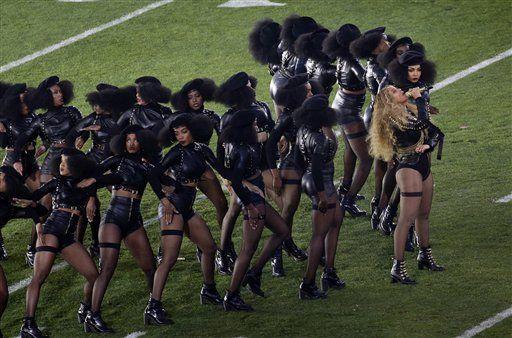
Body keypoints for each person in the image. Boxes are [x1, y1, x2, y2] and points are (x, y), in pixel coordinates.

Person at [81, 125, 172, 333]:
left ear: (142, 142)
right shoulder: (116, 160)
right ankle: (92, 315)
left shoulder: (146, 165)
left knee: (150, 267)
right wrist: (92, 198)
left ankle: (154, 307)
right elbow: (93, 176)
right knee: (107, 269)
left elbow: (160, 185)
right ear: (123, 142)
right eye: (128, 139)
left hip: (133, 221)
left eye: (135, 140)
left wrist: (167, 197)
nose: (131, 143)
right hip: (113, 218)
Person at [146, 114, 229, 325]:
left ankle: (209, 290)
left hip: (187, 209)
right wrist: (164, 200)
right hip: (173, 209)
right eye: (176, 133)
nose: (180, 136)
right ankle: (153, 307)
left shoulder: (202, 150)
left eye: (184, 131)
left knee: (209, 248)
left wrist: (241, 178)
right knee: (169, 260)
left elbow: (221, 170)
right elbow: (153, 175)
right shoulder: (175, 153)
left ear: (193, 130)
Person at [16, 149, 101, 337]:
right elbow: (34, 198)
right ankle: (28, 325)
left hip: (68, 238)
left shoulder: (85, 184)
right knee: (39, 277)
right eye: (60, 161)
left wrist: (92, 196)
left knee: (94, 276)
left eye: (66, 162)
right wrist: (28, 207)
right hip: (52, 231)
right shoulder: (56, 182)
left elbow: (109, 176)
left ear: (76, 165)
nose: (61, 165)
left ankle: (85, 309)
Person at [369, 85, 444, 285]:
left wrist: (429, 145)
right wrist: (420, 101)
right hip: (408, 167)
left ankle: (425, 255)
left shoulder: (407, 112)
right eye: (394, 91)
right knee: (405, 219)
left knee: (424, 214)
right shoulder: (392, 119)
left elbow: (436, 132)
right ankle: (398, 267)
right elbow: (422, 124)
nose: (400, 90)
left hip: (423, 166)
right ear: (389, 102)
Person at [12, 76, 86, 265]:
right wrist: (17, 159)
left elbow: (84, 129)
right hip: (51, 164)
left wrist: (82, 138)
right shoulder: (41, 120)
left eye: (60, 91)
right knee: (45, 210)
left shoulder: (72, 112)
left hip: (72, 163)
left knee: (81, 207)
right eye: (55, 92)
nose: (60, 94)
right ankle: (31, 248)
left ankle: (77, 245)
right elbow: (21, 140)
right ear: (46, 97)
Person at [219, 111, 288, 311]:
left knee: (282, 230)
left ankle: (254, 273)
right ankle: (231, 295)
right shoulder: (244, 150)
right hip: (253, 203)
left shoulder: (232, 144)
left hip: (254, 198)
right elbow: (234, 178)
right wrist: (249, 193)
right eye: (254, 124)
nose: (256, 126)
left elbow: (228, 173)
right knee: (247, 251)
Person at [214, 72, 276, 275]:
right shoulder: (229, 118)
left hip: (261, 166)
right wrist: (226, 177)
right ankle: (223, 252)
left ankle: (277, 251)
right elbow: (221, 149)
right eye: (249, 85)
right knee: (235, 209)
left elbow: (272, 132)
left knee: (268, 207)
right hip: (240, 172)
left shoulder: (262, 108)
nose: (252, 87)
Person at [65, 84, 132, 257]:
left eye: (98, 104)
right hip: (94, 162)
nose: (95, 108)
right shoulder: (94, 118)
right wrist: (82, 137)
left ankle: (125, 232)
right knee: (89, 202)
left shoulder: (120, 117)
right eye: (93, 104)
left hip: (113, 163)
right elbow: (74, 131)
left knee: (123, 197)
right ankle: (86, 243)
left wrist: (102, 129)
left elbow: (121, 132)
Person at [293, 95, 345, 299]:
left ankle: (329, 272)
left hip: (315, 182)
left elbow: (299, 161)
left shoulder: (302, 131)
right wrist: (322, 196)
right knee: (319, 234)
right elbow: (317, 168)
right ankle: (307, 284)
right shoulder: (321, 139)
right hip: (322, 185)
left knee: (336, 221)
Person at [169, 79, 227, 249]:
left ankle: (225, 246)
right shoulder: (181, 118)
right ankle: (163, 250)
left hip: (203, 167)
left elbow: (223, 140)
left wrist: (223, 166)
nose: (194, 100)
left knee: (222, 204)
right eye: (190, 97)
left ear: (204, 97)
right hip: (182, 168)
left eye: (197, 96)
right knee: (181, 210)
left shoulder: (212, 116)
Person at [265, 74, 313, 276]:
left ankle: (293, 245)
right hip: (292, 165)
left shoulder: (311, 110)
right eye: (308, 90)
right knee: (287, 211)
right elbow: (269, 145)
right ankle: (276, 256)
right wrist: (275, 174)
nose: (311, 92)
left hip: (308, 166)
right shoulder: (287, 117)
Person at [322, 24, 369, 217]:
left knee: (351, 149)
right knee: (366, 158)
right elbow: (365, 78)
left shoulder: (343, 54)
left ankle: (344, 189)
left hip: (342, 104)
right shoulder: (352, 59)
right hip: (349, 110)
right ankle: (348, 200)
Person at [349, 26, 391, 218]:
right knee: (387, 162)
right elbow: (387, 92)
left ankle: (379, 205)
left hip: (374, 113)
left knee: (383, 162)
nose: (388, 42)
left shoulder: (375, 63)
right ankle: (381, 208)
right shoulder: (378, 67)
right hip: (379, 117)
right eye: (384, 41)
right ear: (376, 48)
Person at [0, 83, 41, 261]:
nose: (26, 106)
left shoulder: (34, 116)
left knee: (42, 204)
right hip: (11, 165)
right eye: (23, 102)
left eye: (28, 102)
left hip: (30, 164)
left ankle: (32, 248)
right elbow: (2, 144)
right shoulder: (6, 119)